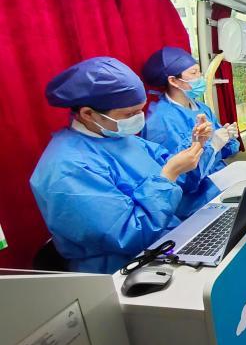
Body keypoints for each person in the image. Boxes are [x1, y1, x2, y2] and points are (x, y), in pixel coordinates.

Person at [30, 57, 206, 274]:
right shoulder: (67, 168)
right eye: (129, 114)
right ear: (88, 114)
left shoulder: (123, 139)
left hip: (164, 244)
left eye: (140, 110)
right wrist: (169, 175)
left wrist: (195, 147)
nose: (139, 118)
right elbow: (128, 235)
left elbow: (180, 177)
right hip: (123, 270)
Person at [141, 46, 240, 218]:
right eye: (194, 73)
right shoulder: (160, 120)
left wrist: (227, 138)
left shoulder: (201, 107)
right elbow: (181, 178)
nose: (200, 77)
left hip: (217, 185)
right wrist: (213, 146)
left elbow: (221, 152)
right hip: (194, 203)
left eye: (199, 72)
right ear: (174, 81)